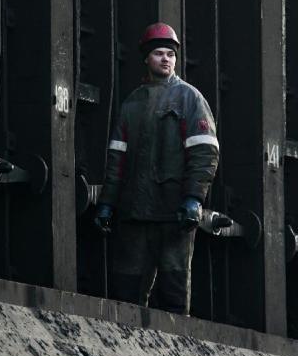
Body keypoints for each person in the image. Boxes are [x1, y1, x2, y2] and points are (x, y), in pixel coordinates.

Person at [93, 22, 219, 315]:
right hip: (135, 214)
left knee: (173, 292)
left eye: (171, 55)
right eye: (159, 53)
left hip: (173, 214)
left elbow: (205, 153)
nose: (166, 59)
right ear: (146, 58)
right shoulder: (132, 104)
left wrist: (193, 199)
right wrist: (107, 204)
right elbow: (116, 160)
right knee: (126, 294)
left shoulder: (190, 98)